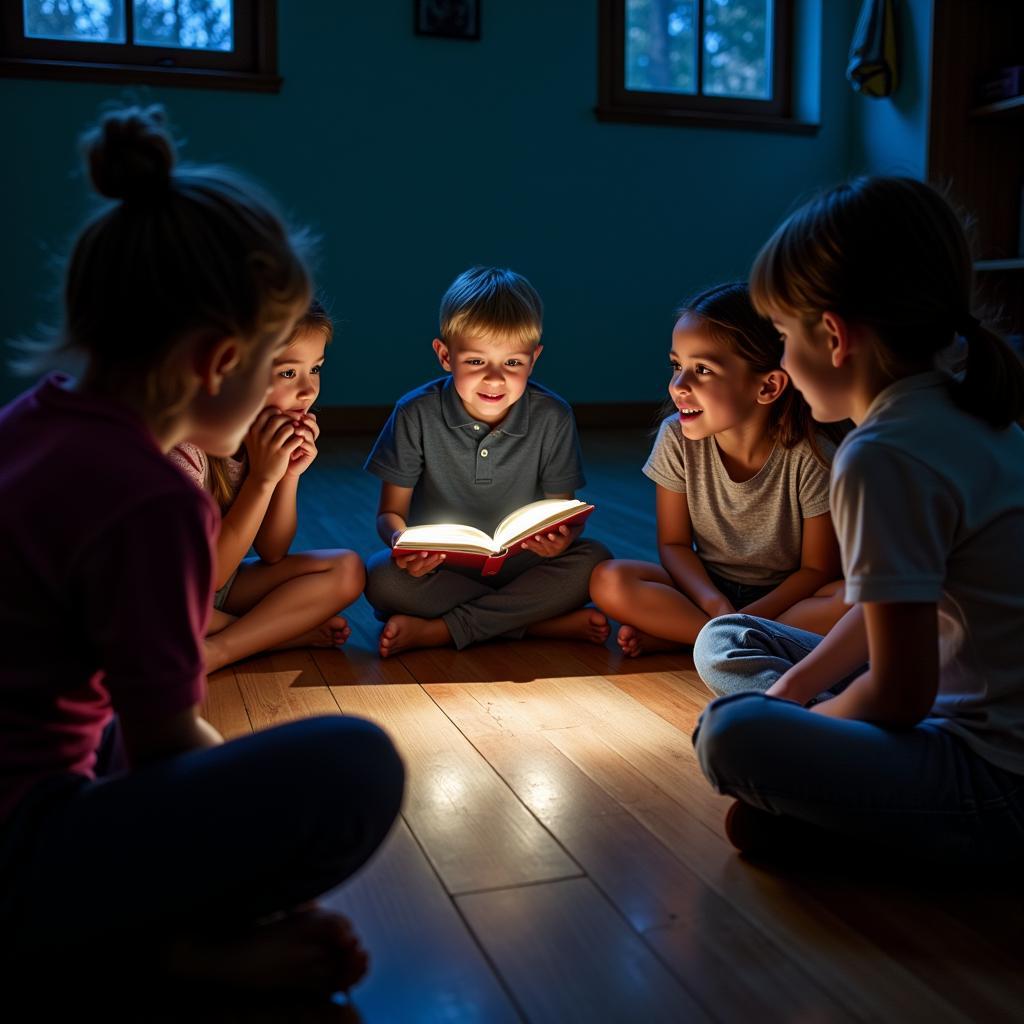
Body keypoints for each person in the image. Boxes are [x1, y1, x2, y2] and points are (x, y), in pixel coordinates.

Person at [0, 105, 404, 997]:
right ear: (221, 362)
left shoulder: (28, 426)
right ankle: (153, 958)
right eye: (275, 369)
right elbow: (164, 742)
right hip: (25, 846)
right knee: (354, 766)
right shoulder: (148, 495)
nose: (288, 393)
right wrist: (243, 879)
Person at [693, 177, 1024, 864]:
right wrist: (793, 692)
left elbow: (901, 693)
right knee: (730, 637)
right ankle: (840, 800)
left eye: (781, 336)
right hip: (953, 703)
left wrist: (796, 724)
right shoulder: (978, 416)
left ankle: (876, 822)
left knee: (731, 733)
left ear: (835, 336)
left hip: (992, 777)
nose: (781, 358)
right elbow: (894, 613)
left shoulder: (881, 455)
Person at [364, 266, 611, 657]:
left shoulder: (553, 415)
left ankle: (444, 630)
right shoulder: (415, 412)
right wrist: (401, 544)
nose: (495, 380)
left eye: (512, 363)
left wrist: (560, 541)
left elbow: (562, 514)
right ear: (445, 355)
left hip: (523, 565)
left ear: (534, 359)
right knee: (382, 579)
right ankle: (533, 624)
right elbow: (389, 514)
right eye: (477, 362)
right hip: (443, 568)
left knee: (596, 563)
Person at [591, 282, 846, 662]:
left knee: (855, 600)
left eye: (703, 369)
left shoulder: (811, 455)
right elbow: (674, 545)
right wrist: (713, 602)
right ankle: (733, 639)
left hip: (790, 596)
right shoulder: (676, 438)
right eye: (677, 365)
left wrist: (748, 616)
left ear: (767, 386)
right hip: (707, 590)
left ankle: (695, 636)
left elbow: (816, 569)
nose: (678, 385)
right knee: (609, 579)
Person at [170, 300, 364, 673]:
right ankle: (256, 640)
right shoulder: (187, 445)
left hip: (214, 595)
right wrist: (261, 479)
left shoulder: (263, 435)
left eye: (316, 369)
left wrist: (288, 475)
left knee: (347, 569)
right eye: (288, 373)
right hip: (169, 592)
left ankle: (231, 643)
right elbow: (208, 577)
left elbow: (273, 551)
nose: (308, 390)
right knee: (155, 604)